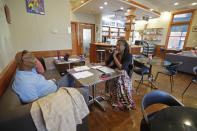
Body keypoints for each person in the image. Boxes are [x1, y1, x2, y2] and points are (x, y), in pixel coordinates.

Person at [12, 50, 89, 103]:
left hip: (54, 83)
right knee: (85, 89)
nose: (36, 60)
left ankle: (71, 89)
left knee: (71, 73)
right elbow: (36, 105)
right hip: (56, 91)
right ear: (24, 63)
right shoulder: (25, 84)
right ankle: (72, 95)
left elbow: (40, 69)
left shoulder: (25, 70)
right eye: (32, 59)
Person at [105, 39, 136, 110]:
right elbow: (107, 63)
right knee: (116, 77)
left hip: (125, 76)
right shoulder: (115, 53)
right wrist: (113, 56)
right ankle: (119, 100)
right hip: (115, 74)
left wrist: (115, 57)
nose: (117, 46)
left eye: (119, 45)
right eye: (117, 45)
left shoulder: (128, 55)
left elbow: (122, 68)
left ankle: (126, 101)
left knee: (120, 78)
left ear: (124, 47)